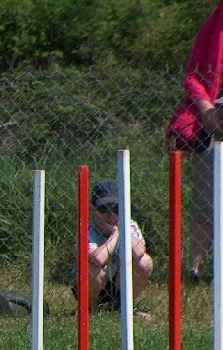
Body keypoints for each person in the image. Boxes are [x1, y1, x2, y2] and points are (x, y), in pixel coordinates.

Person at [166, 1, 223, 283]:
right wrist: (205, 109)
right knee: (205, 197)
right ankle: (195, 270)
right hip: (211, 123)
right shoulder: (213, 28)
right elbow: (192, 76)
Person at [72, 180, 153, 317]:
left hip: (121, 283)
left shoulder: (130, 226)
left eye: (116, 209)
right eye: (104, 209)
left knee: (145, 262)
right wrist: (115, 234)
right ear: (93, 209)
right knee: (91, 268)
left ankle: (125, 308)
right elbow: (97, 259)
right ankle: (91, 310)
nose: (110, 215)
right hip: (92, 285)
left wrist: (122, 231)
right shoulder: (87, 229)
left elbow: (139, 253)